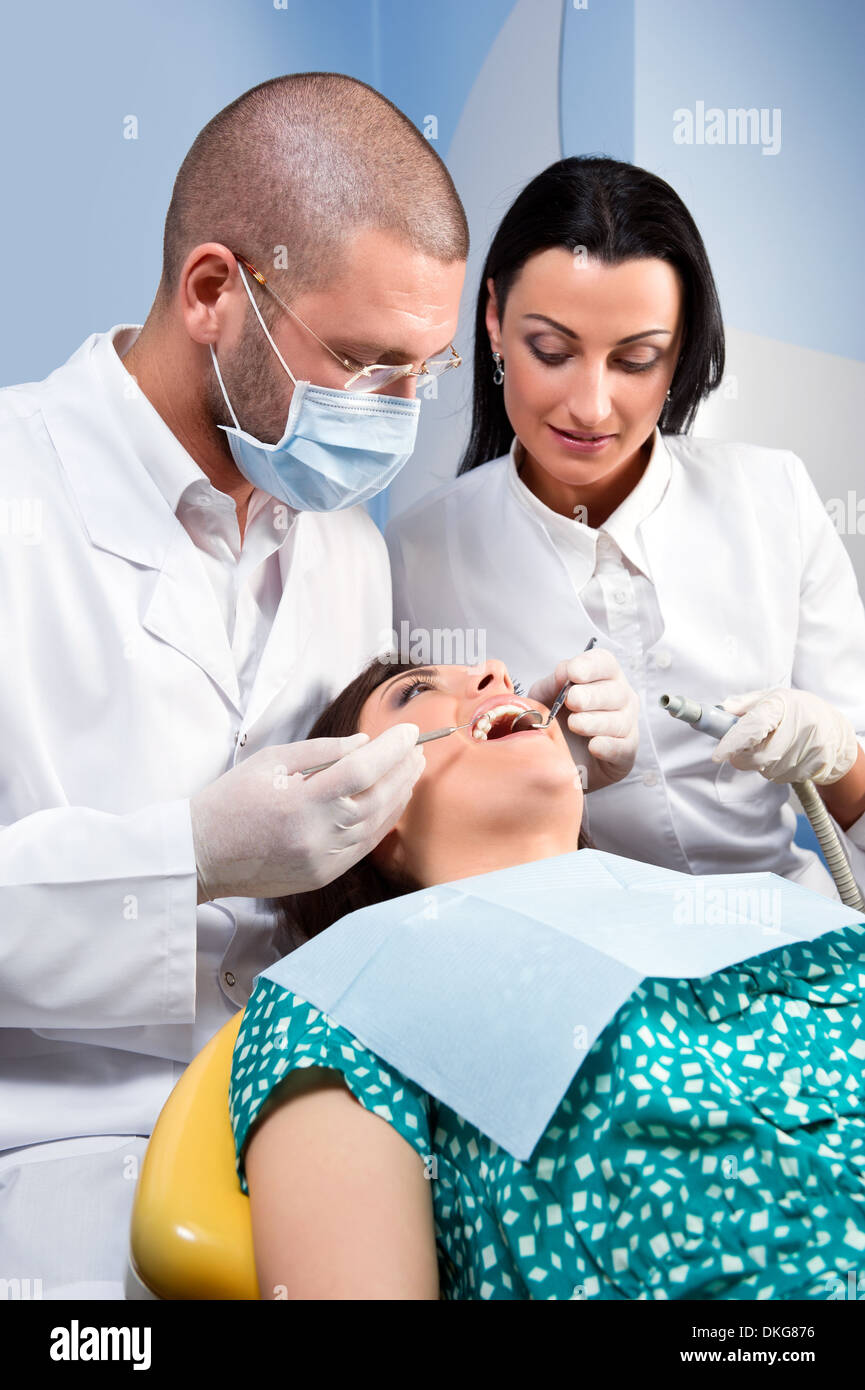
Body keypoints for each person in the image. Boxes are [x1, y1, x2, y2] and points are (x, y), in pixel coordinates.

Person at [0, 71, 470, 1299]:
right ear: (214, 292)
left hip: (298, 1146)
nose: (400, 415)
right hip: (48, 1166)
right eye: (368, 365)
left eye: (426, 370)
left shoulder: (348, 548)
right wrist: (189, 857)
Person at [230, 656, 865, 1300]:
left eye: (499, 676)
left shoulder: (731, 908)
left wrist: (846, 766)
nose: (496, 673)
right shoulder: (339, 996)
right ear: (363, 811)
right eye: (417, 691)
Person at [385, 156, 865, 900]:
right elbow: (402, 841)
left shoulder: (774, 496)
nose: (591, 407)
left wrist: (834, 758)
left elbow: (856, 811)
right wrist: (556, 778)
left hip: (786, 938)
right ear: (492, 319)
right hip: (559, 956)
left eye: (636, 360)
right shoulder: (415, 558)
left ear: (678, 357)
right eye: (551, 351)